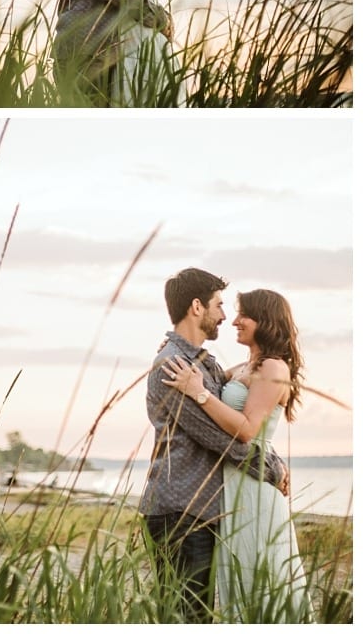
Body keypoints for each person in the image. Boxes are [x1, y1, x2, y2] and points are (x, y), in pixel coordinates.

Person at [139, 267, 288, 623]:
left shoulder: (203, 363)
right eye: (219, 305)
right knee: (186, 617)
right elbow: (218, 439)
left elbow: (242, 422)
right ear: (196, 307)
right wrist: (270, 467)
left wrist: (272, 455)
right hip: (179, 511)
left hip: (200, 510)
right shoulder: (172, 366)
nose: (225, 315)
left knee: (199, 614)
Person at [162, 288, 313, 622]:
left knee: (260, 573)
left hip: (255, 486)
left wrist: (198, 393)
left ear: (265, 321)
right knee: (238, 577)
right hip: (233, 484)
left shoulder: (274, 368)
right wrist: (172, 349)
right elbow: (212, 378)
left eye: (244, 314)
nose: (235, 321)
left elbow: (246, 429)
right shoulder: (246, 366)